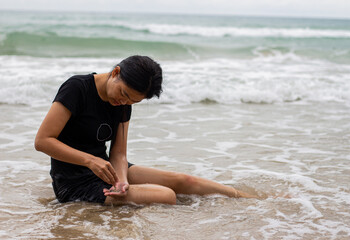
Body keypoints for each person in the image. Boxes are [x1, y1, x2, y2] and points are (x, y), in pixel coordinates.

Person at [35, 55, 256, 206]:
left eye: (133, 100)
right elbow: (43, 140)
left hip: (107, 170)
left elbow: (119, 154)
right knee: (166, 196)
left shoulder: (123, 104)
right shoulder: (77, 88)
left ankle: (248, 199)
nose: (123, 101)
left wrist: (121, 181)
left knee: (184, 181)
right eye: (123, 93)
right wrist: (90, 161)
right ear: (115, 72)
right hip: (73, 183)